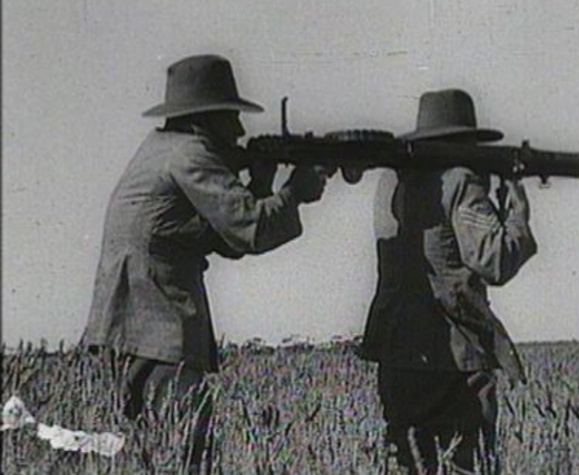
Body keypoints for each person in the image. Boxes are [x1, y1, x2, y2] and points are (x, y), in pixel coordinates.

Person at [81, 54, 327, 473]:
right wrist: (294, 193)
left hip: (130, 337)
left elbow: (224, 238)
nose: (239, 130)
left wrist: (261, 181)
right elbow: (251, 229)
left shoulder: (160, 150)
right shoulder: (191, 153)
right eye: (230, 117)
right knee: (188, 459)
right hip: (158, 340)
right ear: (204, 120)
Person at [359, 89, 537, 474]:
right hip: (456, 360)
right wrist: (518, 214)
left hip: (399, 356)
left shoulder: (393, 183)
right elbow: (495, 261)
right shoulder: (460, 182)